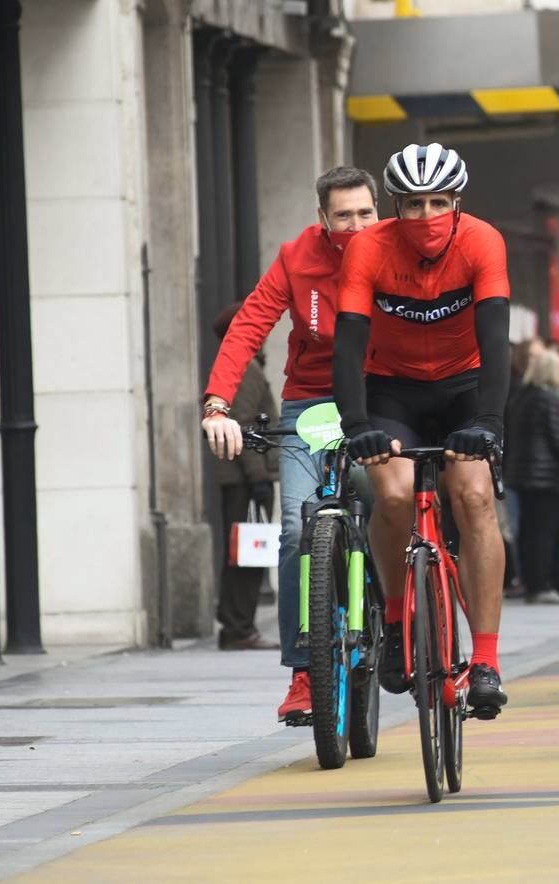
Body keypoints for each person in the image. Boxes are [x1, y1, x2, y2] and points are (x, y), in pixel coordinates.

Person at [332, 142, 513, 716]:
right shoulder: (369, 248)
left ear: (457, 203)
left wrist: (487, 420)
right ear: (394, 206)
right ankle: (392, 616)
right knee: (392, 492)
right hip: (393, 389)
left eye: (438, 203)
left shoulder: (482, 241)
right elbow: (349, 344)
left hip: (464, 386)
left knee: (475, 496)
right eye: (412, 204)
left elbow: (496, 340)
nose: (425, 217)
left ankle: (484, 659)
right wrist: (356, 423)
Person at [201, 166, 380, 724]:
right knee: (299, 526)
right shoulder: (296, 257)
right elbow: (250, 325)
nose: (355, 226)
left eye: (365, 213)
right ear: (322, 218)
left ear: (380, 211)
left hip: (380, 396)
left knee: (394, 505)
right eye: (343, 215)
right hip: (311, 401)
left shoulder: (398, 251)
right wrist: (217, 405)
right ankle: (305, 670)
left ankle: (399, 610)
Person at [208, 302, 281, 653]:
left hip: (241, 478)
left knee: (245, 554)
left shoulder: (239, 367)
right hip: (246, 480)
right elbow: (244, 427)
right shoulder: (245, 369)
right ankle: (238, 627)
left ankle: (237, 624)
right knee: (247, 556)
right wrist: (259, 478)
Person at [507, 346, 559, 603]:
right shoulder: (551, 399)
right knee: (548, 532)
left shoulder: (521, 397)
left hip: (522, 476)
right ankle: (545, 584)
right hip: (549, 477)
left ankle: (536, 584)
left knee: (529, 532)